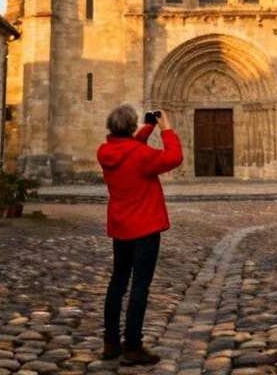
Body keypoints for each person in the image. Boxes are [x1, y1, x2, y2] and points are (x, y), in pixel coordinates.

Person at [97, 103, 183, 365]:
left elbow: (129, 149)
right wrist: (166, 128)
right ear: (131, 127)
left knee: (117, 283)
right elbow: (174, 158)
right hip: (145, 228)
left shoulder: (106, 152)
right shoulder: (141, 156)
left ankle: (111, 343)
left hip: (121, 227)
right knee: (139, 286)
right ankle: (133, 347)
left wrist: (148, 127)